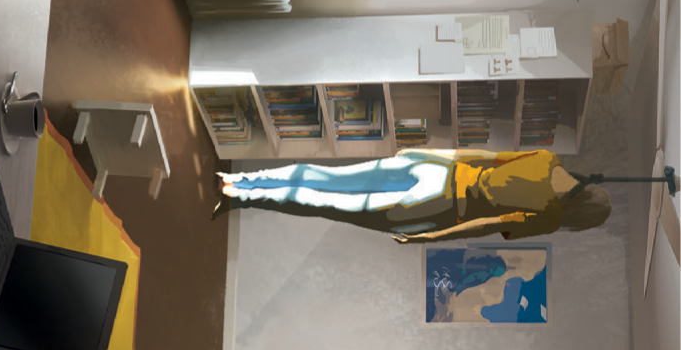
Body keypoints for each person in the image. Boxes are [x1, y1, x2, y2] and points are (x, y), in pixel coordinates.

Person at [211, 148, 611, 243]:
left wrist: (427, 154)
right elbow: (487, 224)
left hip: (439, 171)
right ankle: (239, 196)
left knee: (329, 177)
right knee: (330, 204)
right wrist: (430, 238)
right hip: (440, 206)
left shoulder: (547, 159)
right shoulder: (552, 217)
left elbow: (483, 156)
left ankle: (239, 179)